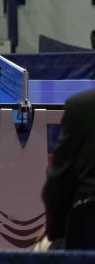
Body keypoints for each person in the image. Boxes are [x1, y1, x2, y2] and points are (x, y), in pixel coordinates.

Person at [41, 89, 95, 249]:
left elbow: (59, 179)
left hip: (88, 226)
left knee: (43, 249)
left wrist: (55, 231)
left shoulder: (83, 105)